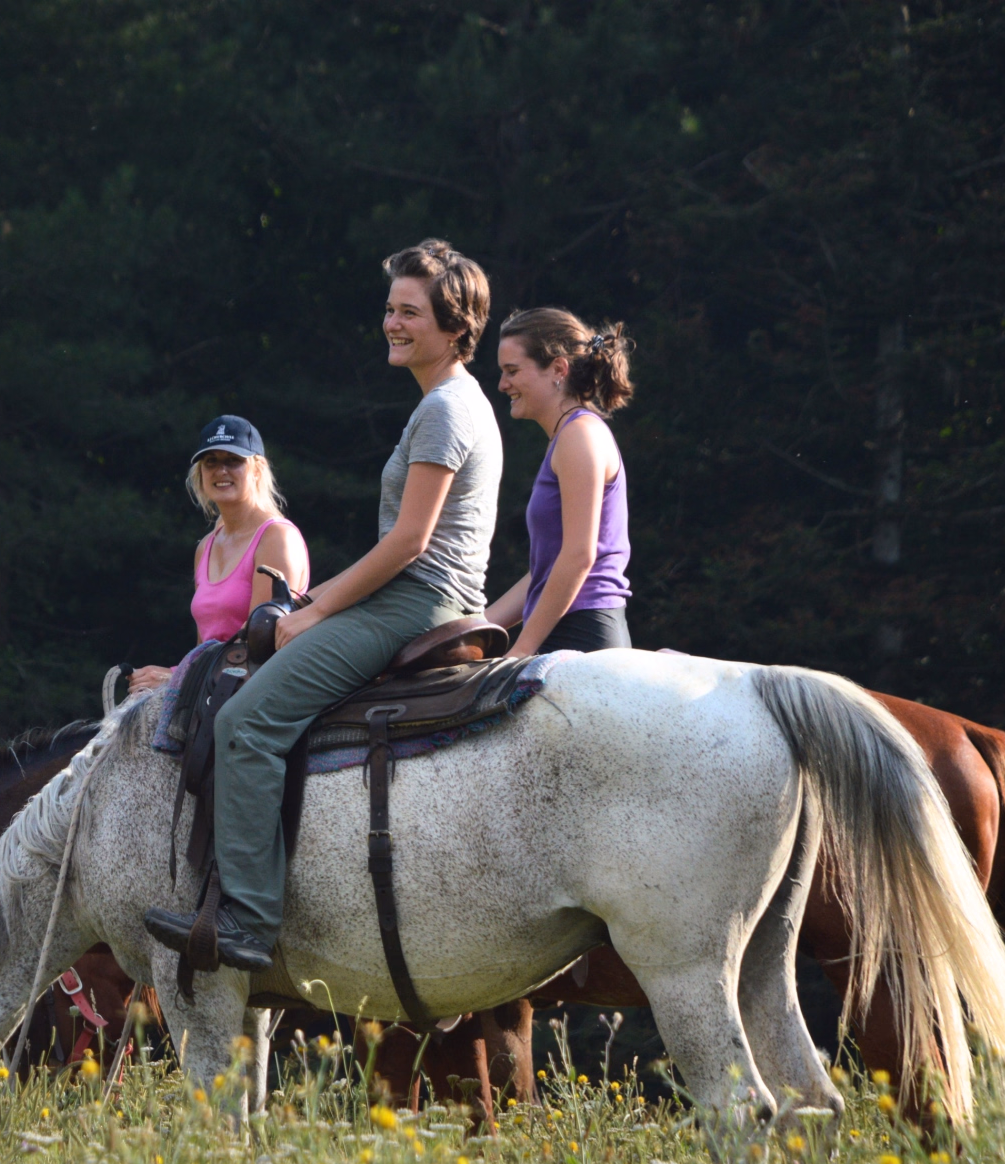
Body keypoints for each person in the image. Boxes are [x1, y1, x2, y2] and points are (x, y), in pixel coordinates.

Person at [145, 240, 501, 973]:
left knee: (246, 721)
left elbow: (408, 542)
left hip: (416, 600)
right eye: (389, 308)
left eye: (409, 311)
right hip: (417, 593)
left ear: (452, 323)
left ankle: (247, 918)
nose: (391, 323)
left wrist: (308, 612)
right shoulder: (453, 403)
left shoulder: (444, 410)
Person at [485, 308, 635, 654]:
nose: (502, 384)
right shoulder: (569, 437)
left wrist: (521, 650)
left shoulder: (578, 436)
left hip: (581, 636)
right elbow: (547, 572)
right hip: (565, 630)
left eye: (512, 371)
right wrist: (478, 625)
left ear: (557, 369)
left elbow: (579, 557)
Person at [127, 415, 311, 696]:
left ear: (257, 469)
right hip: (214, 686)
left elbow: (258, 650)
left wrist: (172, 679)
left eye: (233, 460)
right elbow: (205, 649)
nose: (221, 470)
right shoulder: (207, 547)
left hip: (261, 690)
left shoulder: (276, 538)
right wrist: (163, 676)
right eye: (210, 461)